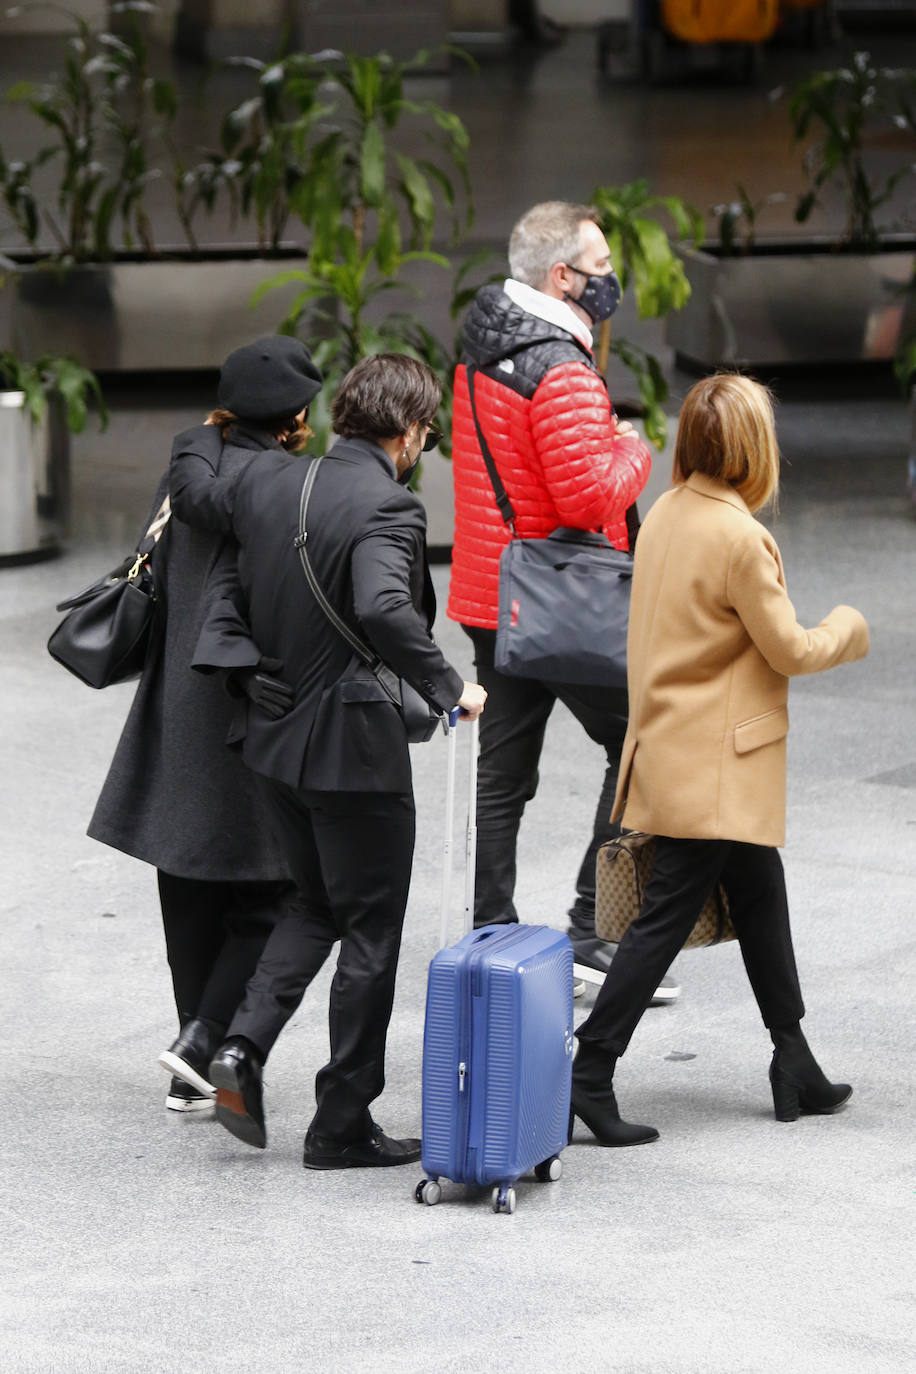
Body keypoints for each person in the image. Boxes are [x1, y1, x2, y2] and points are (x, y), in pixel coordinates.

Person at [170, 352, 486, 1170]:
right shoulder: (389, 505)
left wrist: (206, 433)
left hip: (272, 744)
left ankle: (240, 1049)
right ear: (411, 431)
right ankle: (341, 1121)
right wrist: (452, 686)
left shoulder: (268, 482)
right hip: (354, 753)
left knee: (311, 908)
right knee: (371, 930)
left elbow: (210, 537)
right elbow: (382, 606)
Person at [569, 373, 869, 1147]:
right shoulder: (739, 536)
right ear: (750, 449)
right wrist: (850, 626)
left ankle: (792, 1055)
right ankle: (589, 1072)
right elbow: (793, 649)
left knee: (761, 893)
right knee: (661, 922)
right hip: (715, 766)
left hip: (675, 746)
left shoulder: (668, 511)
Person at [447, 199, 678, 1003]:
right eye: (602, 267)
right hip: (565, 601)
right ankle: (594, 931)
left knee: (503, 774)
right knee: (641, 746)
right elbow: (586, 498)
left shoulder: (482, 342)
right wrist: (635, 445)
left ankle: (491, 933)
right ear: (561, 276)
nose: (610, 280)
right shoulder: (563, 369)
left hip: (493, 593)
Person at [87, 334, 323, 1112]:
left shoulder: (187, 459)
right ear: (295, 414)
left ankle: (191, 1062)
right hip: (250, 703)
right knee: (280, 886)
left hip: (175, 704)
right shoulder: (289, 485)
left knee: (186, 882)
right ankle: (208, 1039)